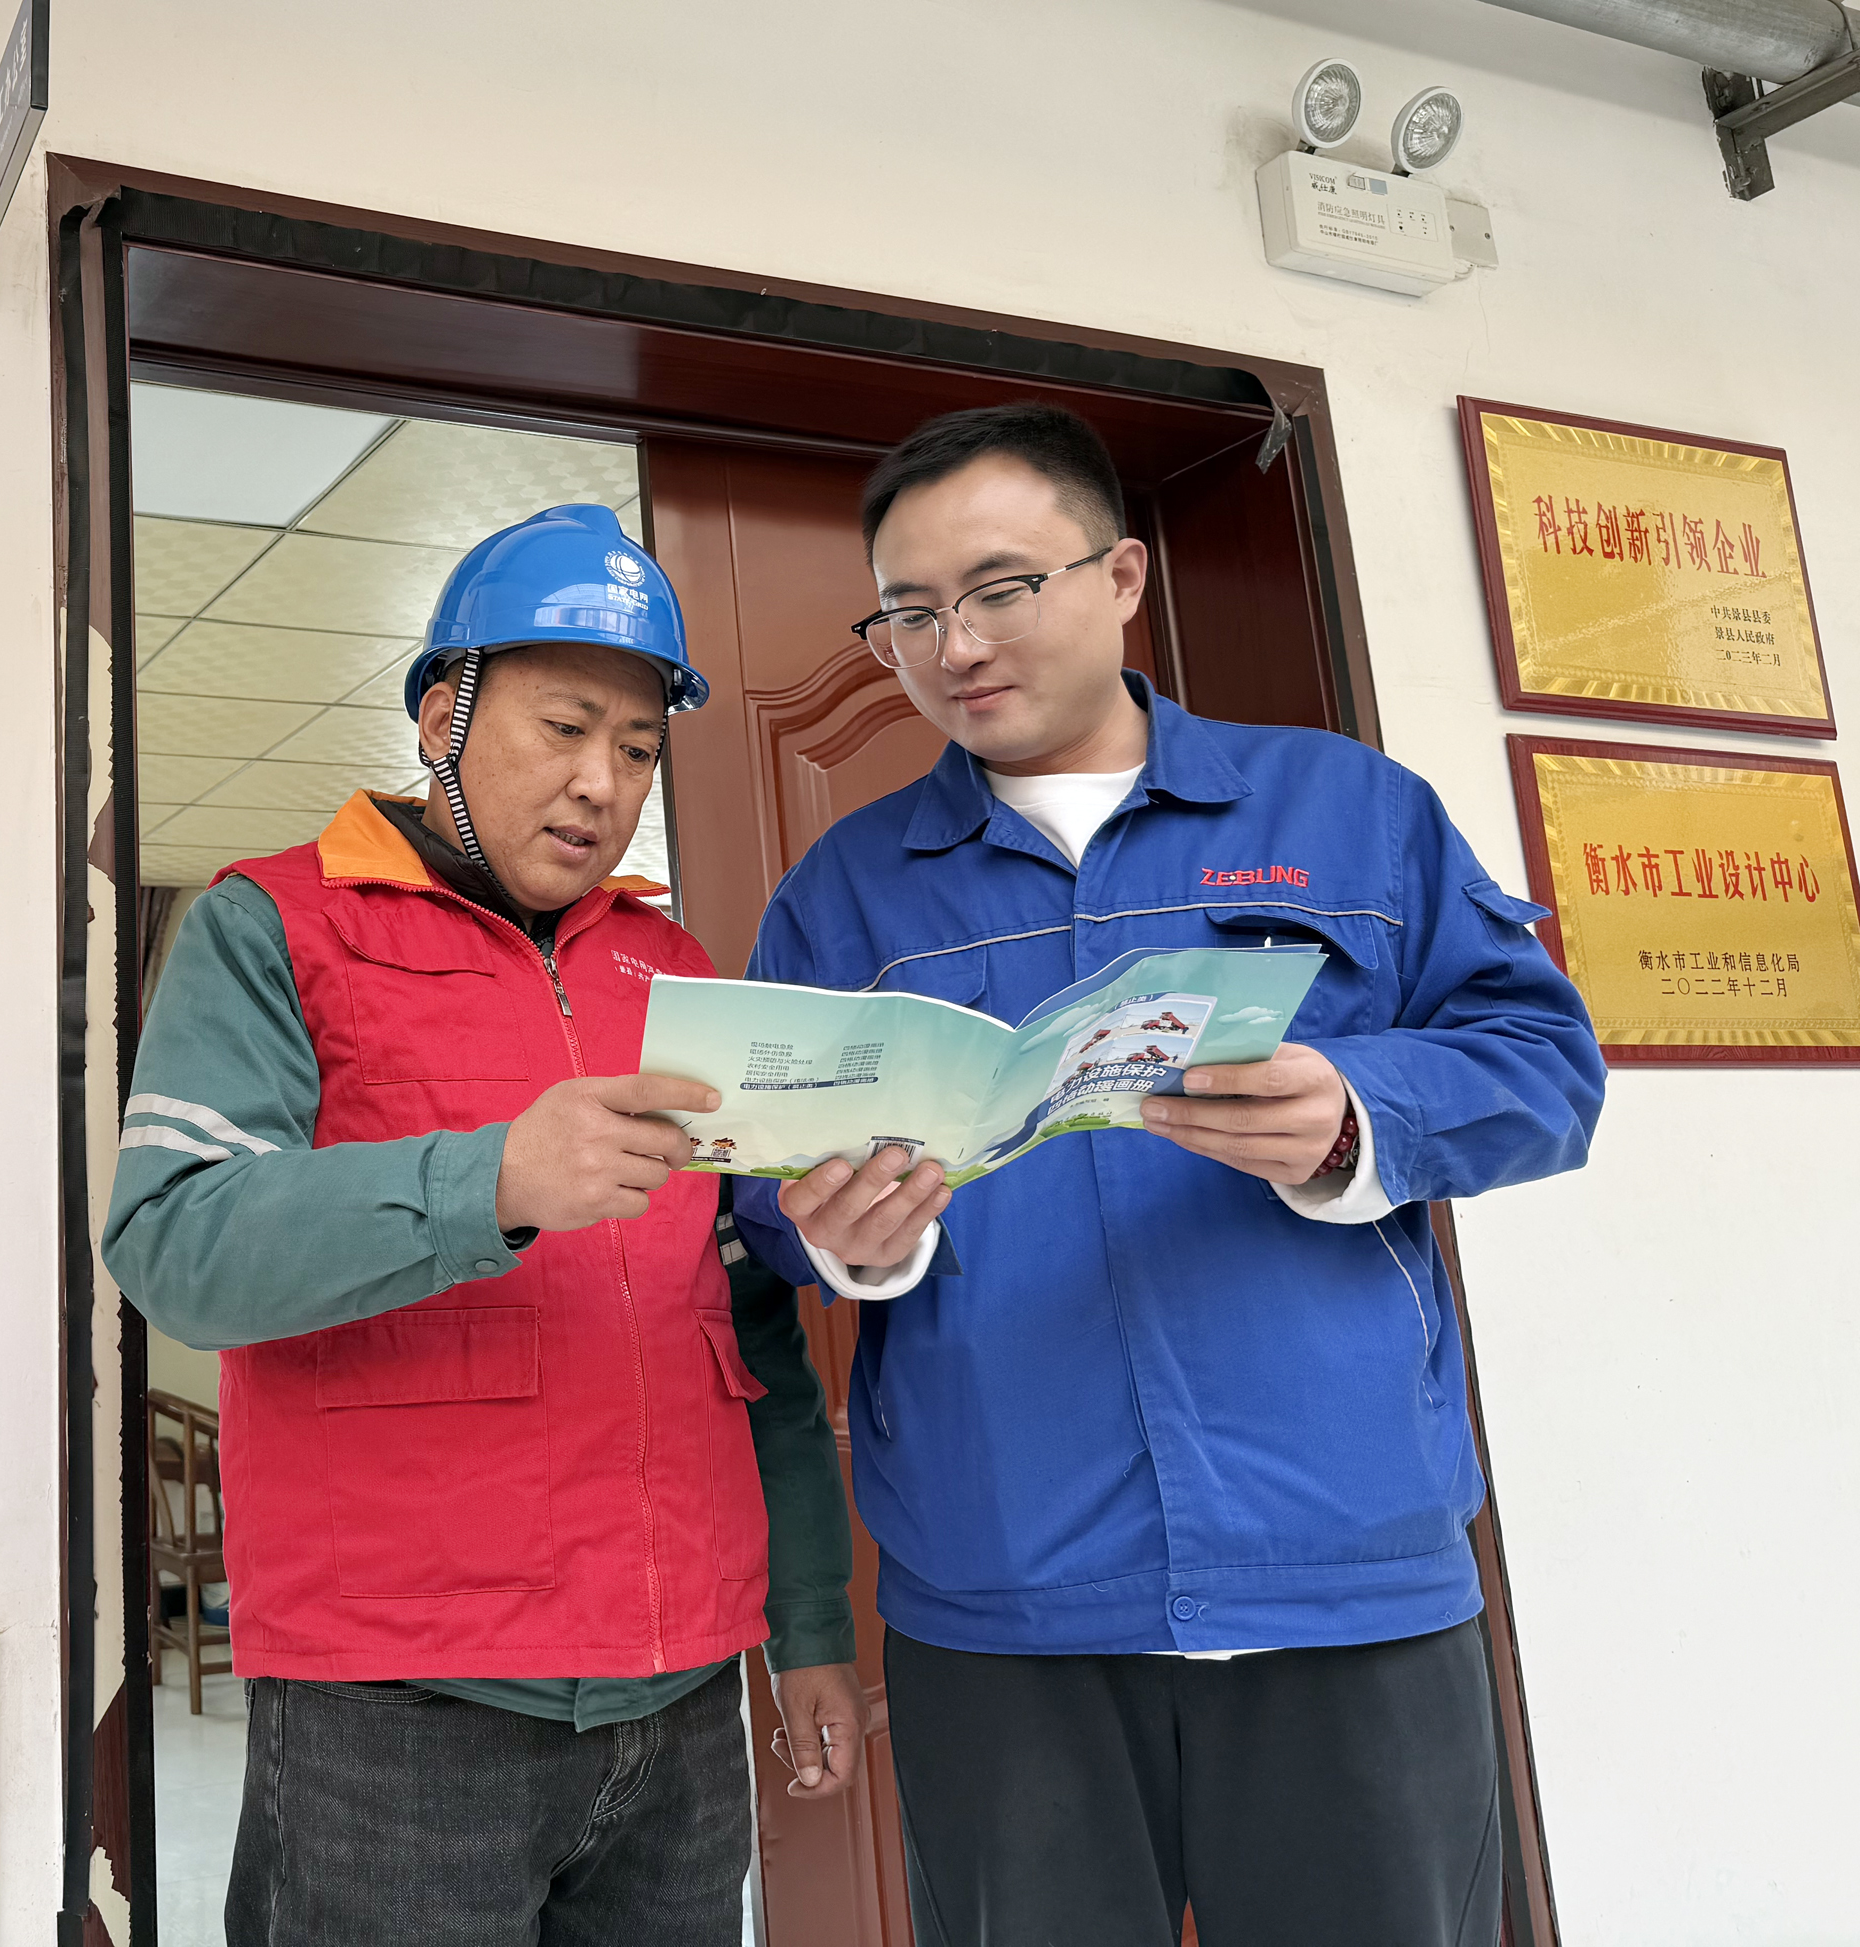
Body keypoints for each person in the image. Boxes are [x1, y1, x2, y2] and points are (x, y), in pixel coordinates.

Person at [733, 403, 1606, 1947]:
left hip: (1344, 1577)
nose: (955, 647)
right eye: (910, 615)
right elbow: (764, 1202)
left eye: (1001, 590)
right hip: (1004, 1600)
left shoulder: (1351, 812)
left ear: (1122, 577)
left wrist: (1357, 1114)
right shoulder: (845, 893)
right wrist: (853, 1241)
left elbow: (1545, 1069)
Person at [105, 504, 865, 1946]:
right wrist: (494, 1182)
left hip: (682, 1696)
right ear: (440, 716)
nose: (600, 784)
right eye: (564, 728)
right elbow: (174, 1244)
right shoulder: (273, 925)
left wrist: (808, 1621)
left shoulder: (671, 966)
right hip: (402, 1702)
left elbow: (742, 1320)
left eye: (637, 750)